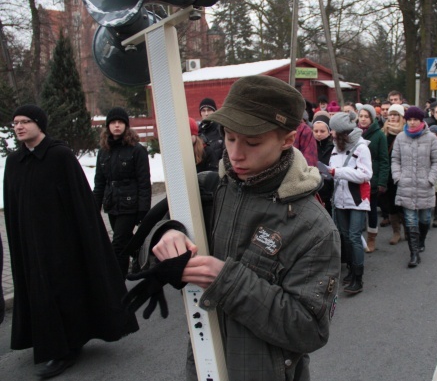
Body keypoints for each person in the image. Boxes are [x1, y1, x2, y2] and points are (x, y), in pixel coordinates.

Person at [139, 76, 340, 381]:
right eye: (230, 137)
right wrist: (168, 234)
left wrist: (227, 281)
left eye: (253, 142)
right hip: (202, 367)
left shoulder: (313, 225)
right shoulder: (209, 189)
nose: (235, 154)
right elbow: (144, 249)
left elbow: (310, 330)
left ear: (287, 140)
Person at [4, 105, 138, 379]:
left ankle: (66, 348)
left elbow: (80, 203)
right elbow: (13, 205)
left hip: (61, 243)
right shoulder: (14, 162)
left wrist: (85, 240)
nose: (19, 126)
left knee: (62, 290)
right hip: (30, 244)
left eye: (25, 121)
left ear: (40, 124)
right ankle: (50, 341)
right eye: (16, 122)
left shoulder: (59, 156)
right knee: (38, 291)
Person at [94, 107, 152, 277]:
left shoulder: (136, 150)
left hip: (130, 204)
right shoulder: (104, 151)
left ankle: (118, 287)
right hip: (112, 204)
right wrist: (94, 207)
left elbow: (144, 181)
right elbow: (99, 182)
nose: (117, 126)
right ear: (108, 126)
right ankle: (143, 255)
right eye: (113, 122)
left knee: (118, 245)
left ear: (126, 126)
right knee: (126, 242)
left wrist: (143, 209)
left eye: (120, 122)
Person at [327, 111, 372, 294]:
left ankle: (358, 279)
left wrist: (337, 172)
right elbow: (333, 169)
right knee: (345, 237)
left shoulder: (362, 148)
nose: (331, 133)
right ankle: (352, 271)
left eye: (333, 131)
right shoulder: (336, 146)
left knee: (354, 237)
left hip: (357, 199)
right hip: (340, 199)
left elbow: (365, 175)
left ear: (342, 132)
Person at [391, 106, 437, 268]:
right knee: (410, 220)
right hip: (405, 185)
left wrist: (430, 179)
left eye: (416, 120)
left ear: (421, 121)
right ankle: (414, 253)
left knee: (425, 219)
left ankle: (422, 240)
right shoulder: (400, 138)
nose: (412, 123)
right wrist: (398, 177)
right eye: (409, 119)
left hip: (424, 185)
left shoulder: (431, 139)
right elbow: (395, 159)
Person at [357, 105, 389, 253]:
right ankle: (357, 238)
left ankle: (371, 238)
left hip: (372, 179)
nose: (363, 119)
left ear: (372, 118)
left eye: (366, 116)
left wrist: (382, 181)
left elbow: (383, 160)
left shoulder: (379, 135)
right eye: (361, 116)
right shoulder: (354, 133)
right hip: (356, 177)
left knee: (371, 211)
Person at [380, 104, 406, 245]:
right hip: (387, 173)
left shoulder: (406, 132)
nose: (393, 117)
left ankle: (408, 229)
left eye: (396, 115)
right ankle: (396, 232)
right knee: (391, 204)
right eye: (391, 114)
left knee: (403, 203)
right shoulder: (383, 132)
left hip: (402, 173)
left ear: (401, 117)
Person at [312, 113, 334, 215]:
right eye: (316, 131)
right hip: (314, 188)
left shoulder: (333, 147)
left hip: (329, 188)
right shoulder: (309, 147)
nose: (319, 134)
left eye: (322, 131)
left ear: (329, 132)